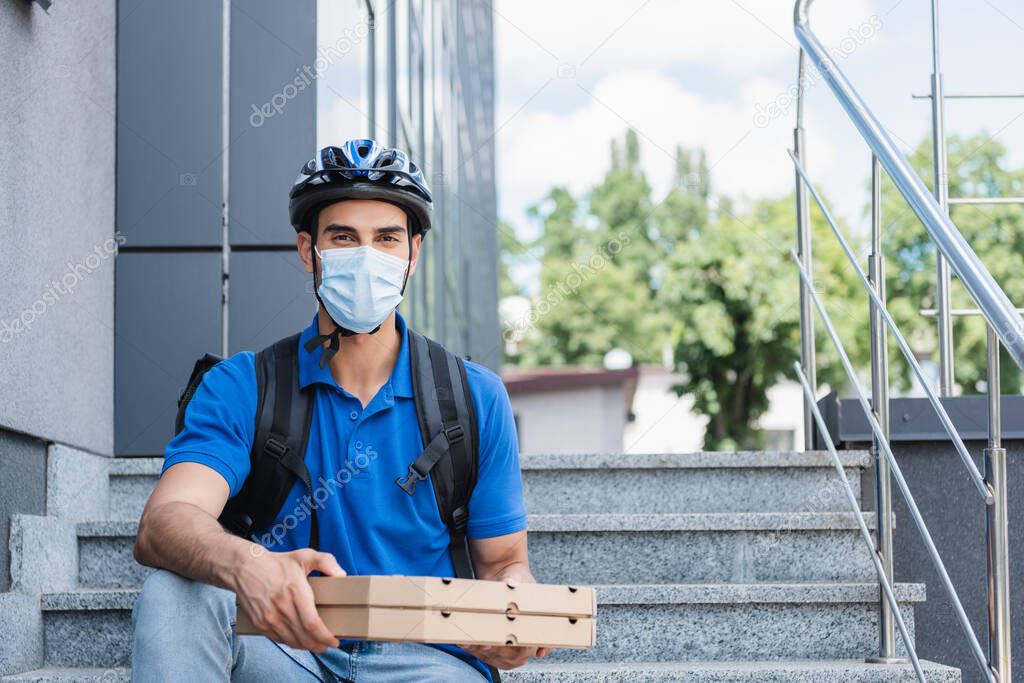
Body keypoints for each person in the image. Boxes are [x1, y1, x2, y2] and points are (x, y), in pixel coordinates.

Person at [130, 139, 546, 682]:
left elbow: (503, 564)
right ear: (309, 251)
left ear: (413, 255)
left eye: (387, 238)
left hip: (428, 661)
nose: (366, 255)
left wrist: (517, 610)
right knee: (173, 592)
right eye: (344, 237)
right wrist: (251, 565)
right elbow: (164, 524)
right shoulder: (241, 385)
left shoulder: (473, 396)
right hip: (284, 649)